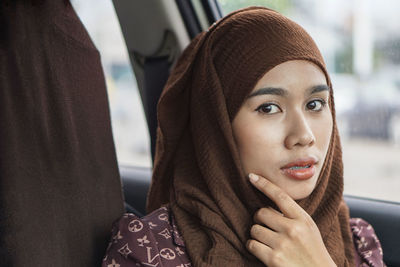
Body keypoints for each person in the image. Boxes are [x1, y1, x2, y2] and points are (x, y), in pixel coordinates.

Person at [102, 7, 384, 267]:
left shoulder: (357, 240)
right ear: (216, 127)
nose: (304, 136)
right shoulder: (147, 250)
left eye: (315, 104)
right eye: (269, 108)